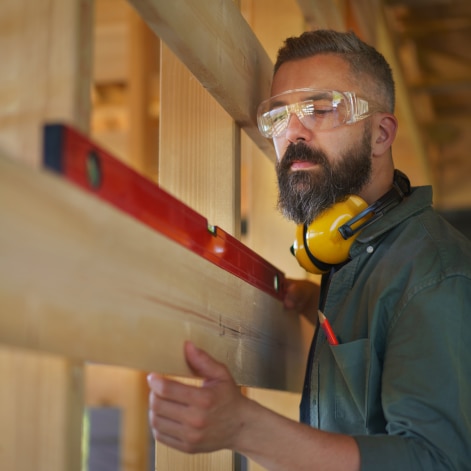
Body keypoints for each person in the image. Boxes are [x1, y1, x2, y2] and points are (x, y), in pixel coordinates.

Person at [147, 30, 471, 470]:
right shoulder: (356, 257)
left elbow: (437, 462)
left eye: (321, 109)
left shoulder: (432, 275)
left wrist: (242, 427)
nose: (293, 131)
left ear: (381, 134)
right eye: (279, 116)